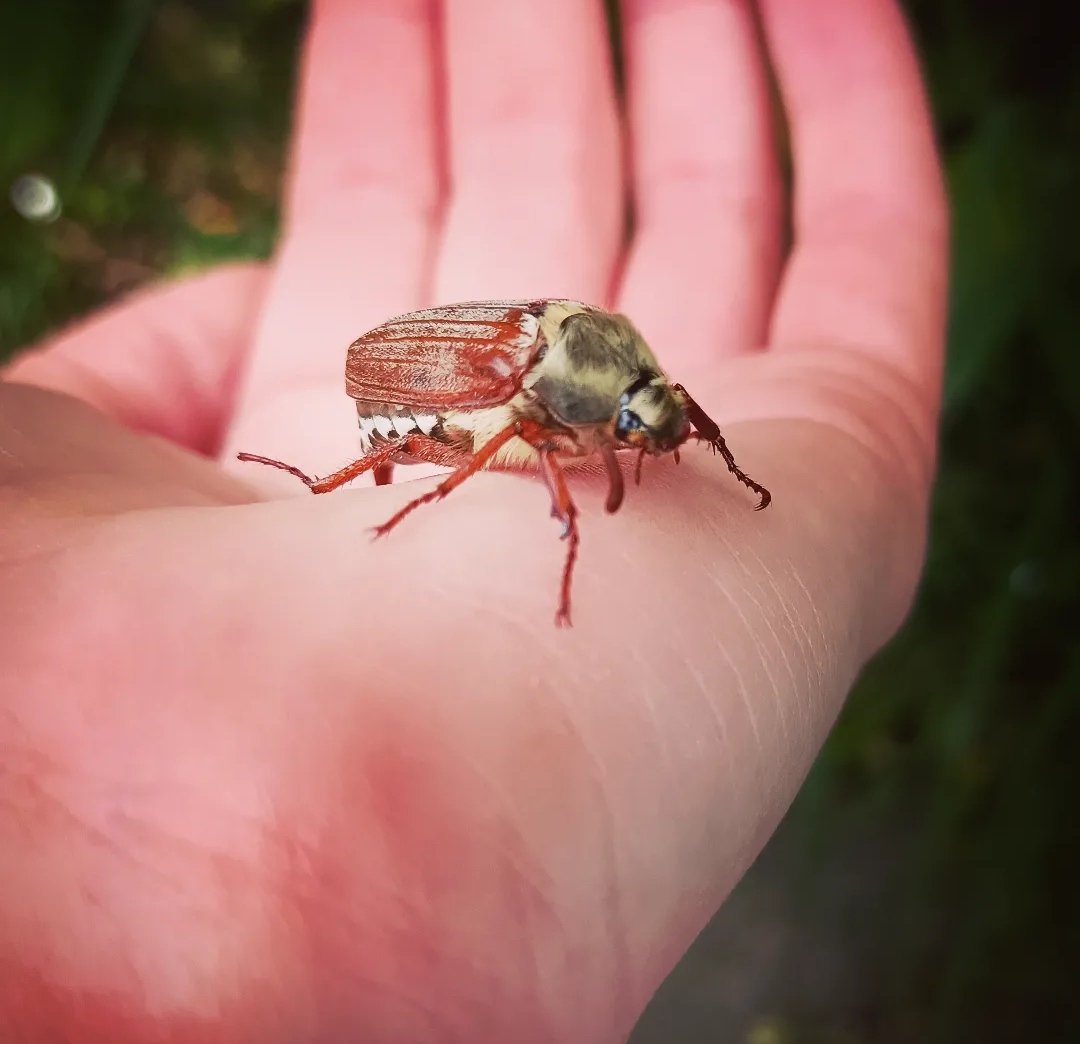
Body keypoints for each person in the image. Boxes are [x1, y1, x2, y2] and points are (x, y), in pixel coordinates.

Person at [0, 0, 947, 1039]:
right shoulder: (541, 393)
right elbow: (518, 434)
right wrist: (571, 521)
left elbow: (651, 408)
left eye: (648, 411)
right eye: (638, 419)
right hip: (416, 387)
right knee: (471, 445)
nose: (645, 429)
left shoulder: (627, 369)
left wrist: (718, 452)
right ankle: (356, 488)